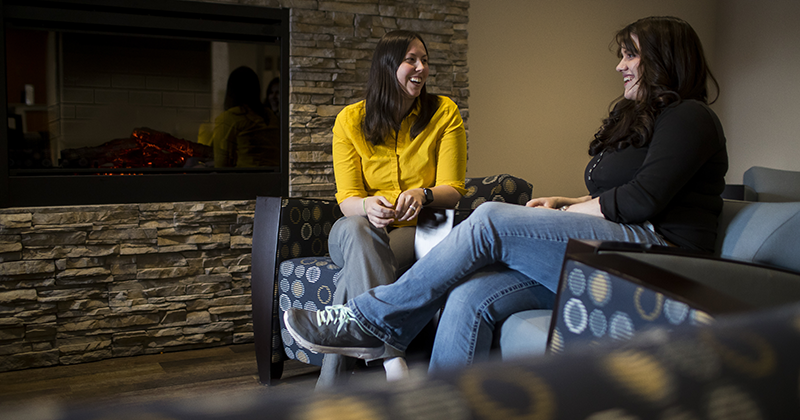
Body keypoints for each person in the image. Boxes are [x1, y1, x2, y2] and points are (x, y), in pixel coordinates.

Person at [284, 16, 728, 374]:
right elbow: (627, 191)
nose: (620, 65)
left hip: (659, 257)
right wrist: (567, 202)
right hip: (616, 242)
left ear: (663, 59)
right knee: (470, 294)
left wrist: (571, 211)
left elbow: (641, 203)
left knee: (492, 218)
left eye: (631, 55)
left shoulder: (691, 117)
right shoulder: (645, 119)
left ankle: (370, 319)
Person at [315, 30, 467, 387]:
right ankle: (392, 357)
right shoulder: (350, 121)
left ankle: (328, 388)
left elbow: (454, 190)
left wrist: (423, 194)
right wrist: (368, 206)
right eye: (411, 60)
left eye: (425, 60)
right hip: (357, 230)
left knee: (355, 278)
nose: (421, 68)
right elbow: (347, 199)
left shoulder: (444, 113)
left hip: (418, 229)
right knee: (357, 230)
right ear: (387, 67)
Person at [200, 66, 279, 167]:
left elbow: (222, 165)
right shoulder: (270, 116)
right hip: (274, 178)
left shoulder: (230, 118)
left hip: (247, 180)